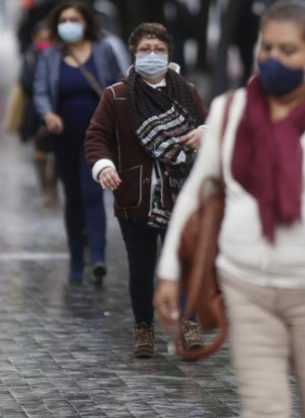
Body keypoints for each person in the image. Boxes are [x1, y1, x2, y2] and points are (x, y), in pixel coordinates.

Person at [154, 0, 305, 418]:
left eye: (288, 50)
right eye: (267, 48)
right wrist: (170, 270)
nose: (273, 58)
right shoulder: (231, 111)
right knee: (264, 409)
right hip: (246, 287)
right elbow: (195, 194)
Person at [84, 22, 208, 358]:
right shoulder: (117, 95)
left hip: (181, 196)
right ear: (134, 53)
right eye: (144, 49)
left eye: (158, 49)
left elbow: (209, 128)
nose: (152, 55)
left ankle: (189, 324)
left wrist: (206, 133)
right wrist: (104, 167)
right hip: (136, 198)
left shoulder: (187, 92)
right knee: (141, 268)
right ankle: (143, 329)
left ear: (169, 54)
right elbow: (96, 139)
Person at [33, 1, 124, 285]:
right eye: (64, 20)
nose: (69, 24)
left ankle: (97, 257)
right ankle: (75, 261)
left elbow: (118, 85)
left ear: (86, 22)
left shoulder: (103, 51)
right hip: (64, 137)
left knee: (92, 194)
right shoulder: (50, 56)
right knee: (73, 197)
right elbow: (40, 89)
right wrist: (47, 114)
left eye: (75, 19)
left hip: (97, 137)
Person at [19, 22, 58, 206]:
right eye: (42, 39)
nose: (45, 43)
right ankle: (46, 188)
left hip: (57, 109)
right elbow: (25, 81)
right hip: (35, 112)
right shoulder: (30, 56)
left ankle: (53, 185)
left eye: (48, 39)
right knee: (40, 153)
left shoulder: (59, 56)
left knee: (57, 153)